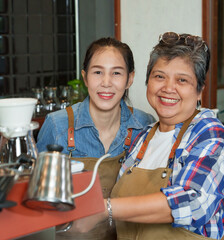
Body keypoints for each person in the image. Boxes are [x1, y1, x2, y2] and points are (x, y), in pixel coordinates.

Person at [68, 32, 224, 240]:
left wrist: (104, 208)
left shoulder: (208, 132)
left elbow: (193, 202)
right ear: (147, 81)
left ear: (200, 90)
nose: (168, 88)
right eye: (159, 76)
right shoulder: (143, 137)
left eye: (182, 80)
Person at [36, 37, 154, 239]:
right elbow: (37, 199)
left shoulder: (144, 125)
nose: (106, 83)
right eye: (97, 72)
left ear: (130, 78)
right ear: (85, 77)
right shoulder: (58, 125)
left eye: (116, 73)